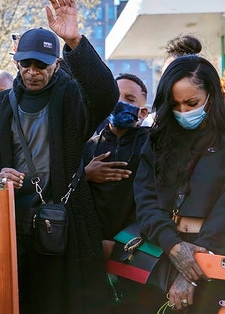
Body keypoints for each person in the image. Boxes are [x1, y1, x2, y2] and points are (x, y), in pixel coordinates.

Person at [0, 0, 118, 312]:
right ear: (16, 62)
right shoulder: (1, 105)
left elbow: (106, 94)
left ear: (56, 64)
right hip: (16, 223)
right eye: (27, 63)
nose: (33, 71)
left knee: (69, 300)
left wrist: (75, 40)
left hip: (67, 220)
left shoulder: (71, 96)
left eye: (42, 64)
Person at [134, 55, 225, 313]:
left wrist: (193, 265)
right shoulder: (158, 140)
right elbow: (146, 199)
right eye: (176, 105)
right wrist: (173, 246)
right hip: (164, 248)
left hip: (216, 252)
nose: (184, 112)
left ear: (211, 95)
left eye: (192, 103)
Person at [81, 73, 164, 312]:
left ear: (143, 112)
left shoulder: (153, 144)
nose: (120, 102)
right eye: (115, 96)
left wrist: (120, 244)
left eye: (129, 98)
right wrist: (85, 175)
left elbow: (155, 198)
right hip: (93, 252)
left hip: (139, 249)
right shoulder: (88, 146)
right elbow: (71, 196)